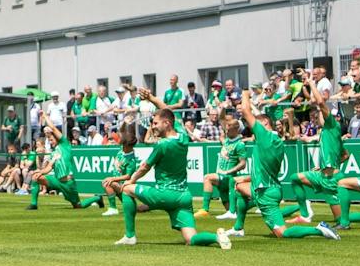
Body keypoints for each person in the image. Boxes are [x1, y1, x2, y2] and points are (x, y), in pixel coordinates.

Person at [115, 104, 231, 249]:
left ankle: (130, 236)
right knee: (191, 238)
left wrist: (130, 181)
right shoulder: (183, 137)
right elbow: (170, 113)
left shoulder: (162, 145)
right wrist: (152, 99)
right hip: (183, 197)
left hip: (165, 194)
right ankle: (217, 237)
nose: (153, 126)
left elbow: (145, 167)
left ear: (167, 123)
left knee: (126, 189)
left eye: (156, 123)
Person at [228, 93, 339, 241]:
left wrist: (245, 93)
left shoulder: (264, 138)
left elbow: (246, 111)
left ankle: (319, 230)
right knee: (239, 187)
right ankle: (238, 227)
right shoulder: (278, 141)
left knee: (282, 233)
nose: (251, 127)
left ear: (264, 125)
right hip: (270, 187)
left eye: (255, 125)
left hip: (265, 192)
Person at [292, 103, 345, 231]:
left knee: (342, 221)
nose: (317, 117)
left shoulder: (332, 126)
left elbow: (322, 103)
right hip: (323, 174)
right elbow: (345, 155)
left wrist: (311, 83)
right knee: (295, 178)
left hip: (330, 177)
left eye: (320, 114)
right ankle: (305, 214)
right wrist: (324, 167)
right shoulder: (327, 132)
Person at [202, 118, 247, 221]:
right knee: (231, 209)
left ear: (236, 129)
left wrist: (229, 171)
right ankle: (252, 205)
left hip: (228, 176)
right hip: (222, 178)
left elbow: (243, 164)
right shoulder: (226, 141)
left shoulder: (239, 145)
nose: (226, 130)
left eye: (229, 129)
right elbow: (221, 134)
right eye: (226, 128)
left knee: (207, 178)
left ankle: (204, 209)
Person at [96, 124, 140, 218]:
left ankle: (113, 208)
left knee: (107, 182)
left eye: (124, 145)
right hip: (118, 183)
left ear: (129, 146)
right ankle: (132, 206)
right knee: (108, 182)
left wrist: (113, 178)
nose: (122, 146)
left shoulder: (131, 160)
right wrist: (125, 122)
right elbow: (121, 131)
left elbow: (128, 176)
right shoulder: (122, 150)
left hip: (124, 186)